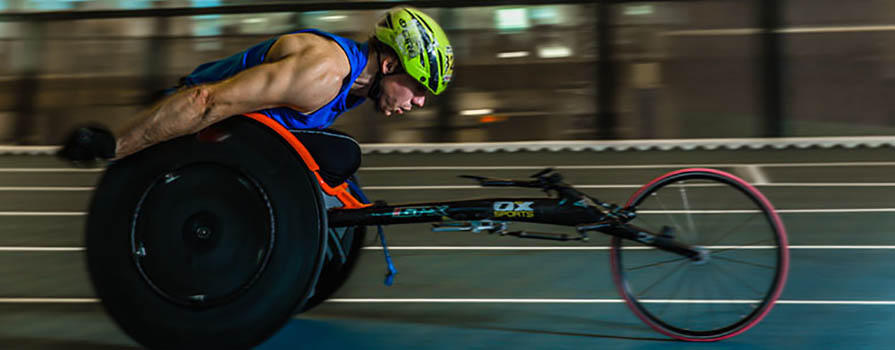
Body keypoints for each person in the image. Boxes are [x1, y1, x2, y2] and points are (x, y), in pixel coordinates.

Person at [57, 7, 454, 176]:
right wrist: (116, 149)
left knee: (339, 155)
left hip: (242, 146)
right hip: (188, 122)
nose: (418, 101)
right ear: (389, 65)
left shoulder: (353, 86)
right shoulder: (322, 72)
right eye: (418, 87)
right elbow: (206, 101)